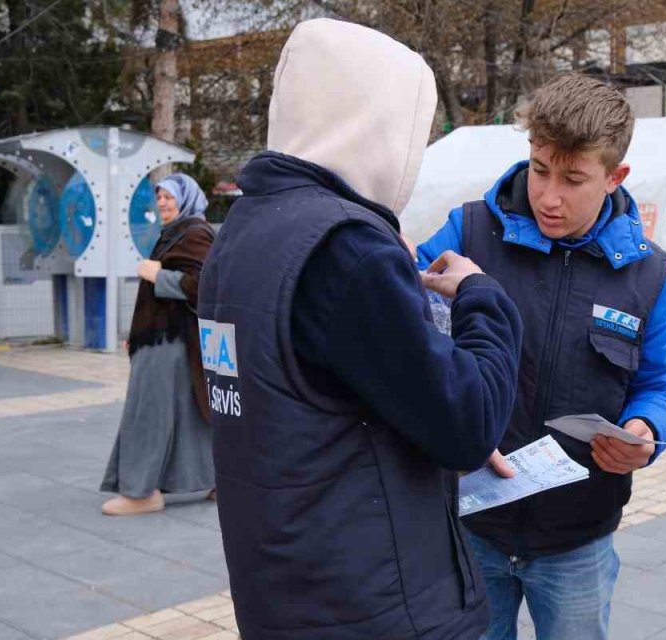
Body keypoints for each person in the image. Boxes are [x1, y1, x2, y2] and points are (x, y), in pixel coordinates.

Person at [196, 19, 523, 639]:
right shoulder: (348, 249)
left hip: (285, 586)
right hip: (376, 603)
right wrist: (483, 296)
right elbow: (468, 423)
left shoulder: (243, 231)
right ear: (380, 125)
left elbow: (308, 400)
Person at [416, 74, 666, 640]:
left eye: (574, 178)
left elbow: (659, 382)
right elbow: (405, 332)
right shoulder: (469, 233)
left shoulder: (649, 273)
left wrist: (643, 431)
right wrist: (449, 421)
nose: (549, 196)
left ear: (616, 177)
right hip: (470, 526)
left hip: (578, 537)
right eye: (539, 170)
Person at [100, 173, 216, 516]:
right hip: (163, 340)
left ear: (187, 199)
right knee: (189, 414)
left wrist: (158, 275)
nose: (163, 203)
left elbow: (206, 285)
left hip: (173, 342)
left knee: (147, 414)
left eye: (170, 197)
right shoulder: (177, 233)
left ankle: (142, 492)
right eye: (160, 197)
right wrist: (136, 335)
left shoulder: (195, 233)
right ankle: (220, 480)